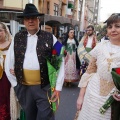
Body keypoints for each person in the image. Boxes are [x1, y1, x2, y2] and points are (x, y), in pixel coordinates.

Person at [5, 3, 64, 120]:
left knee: (45, 117)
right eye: (27, 18)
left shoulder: (51, 37)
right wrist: (15, 84)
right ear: (24, 22)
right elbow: (9, 61)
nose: (30, 21)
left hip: (44, 87)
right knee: (29, 116)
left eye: (33, 18)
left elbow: (60, 62)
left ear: (38, 20)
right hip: (24, 88)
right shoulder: (17, 37)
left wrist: (58, 87)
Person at [76, 13, 120, 120]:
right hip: (92, 94)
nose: (113, 30)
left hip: (113, 99)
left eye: (117, 26)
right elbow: (89, 71)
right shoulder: (100, 47)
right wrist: (81, 96)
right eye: (110, 27)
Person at [0, 22, 11, 120]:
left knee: (5, 98)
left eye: (0, 30)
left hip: (6, 78)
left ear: (5, 31)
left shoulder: (11, 46)